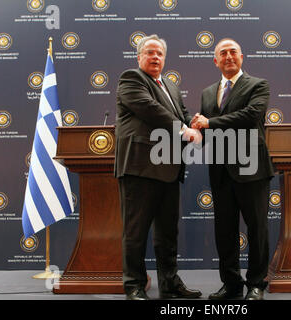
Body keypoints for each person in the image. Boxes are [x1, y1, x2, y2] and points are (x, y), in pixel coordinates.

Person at [115, 34, 202, 300]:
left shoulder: (171, 86)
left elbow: (181, 114)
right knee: (136, 232)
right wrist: (185, 129)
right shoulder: (131, 79)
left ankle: (169, 282)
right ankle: (134, 285)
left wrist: (196, 123)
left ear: (165, 58)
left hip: (169, 169)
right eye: (149, 52)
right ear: (139, 57)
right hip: (140, 167)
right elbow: (151, 109)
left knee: (168, 233)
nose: (155, 57)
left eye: (159, 54)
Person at [191, 38, 274, 300]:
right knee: (224, 231)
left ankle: (257, 284)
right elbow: (206, 130)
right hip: (220, 170)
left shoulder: (258, 85)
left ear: (242, 57)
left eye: (233, 52)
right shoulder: (207, 92)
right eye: (222, 53)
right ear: (215, 61)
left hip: (252, 168)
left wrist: (209, 122)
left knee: (257, 228)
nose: (228, 56)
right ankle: (231, 284)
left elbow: (251, 116)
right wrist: (191, 130)